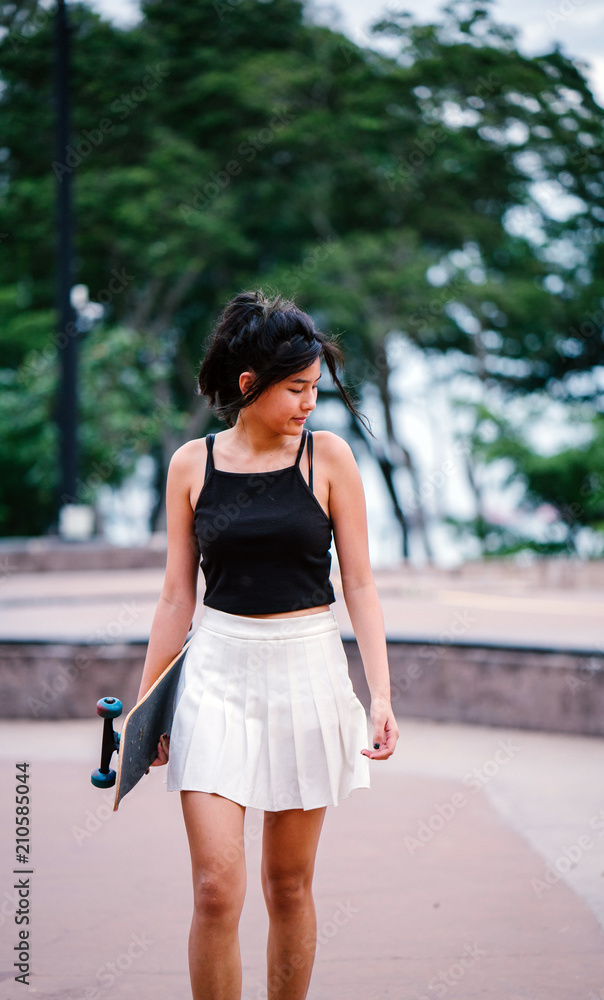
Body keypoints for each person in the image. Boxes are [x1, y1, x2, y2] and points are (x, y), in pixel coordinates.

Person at [134, 288, 398, 1000]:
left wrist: (379, 694)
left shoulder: (329, 458)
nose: (309, 403)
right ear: (248, 384)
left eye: (315, 388)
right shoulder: (192, 464)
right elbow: (174, 596)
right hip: (214, 674)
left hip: (307, 671)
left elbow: (362, 586)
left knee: (287, 885)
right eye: (296, 389)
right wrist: (145, 706)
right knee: (217, 888)